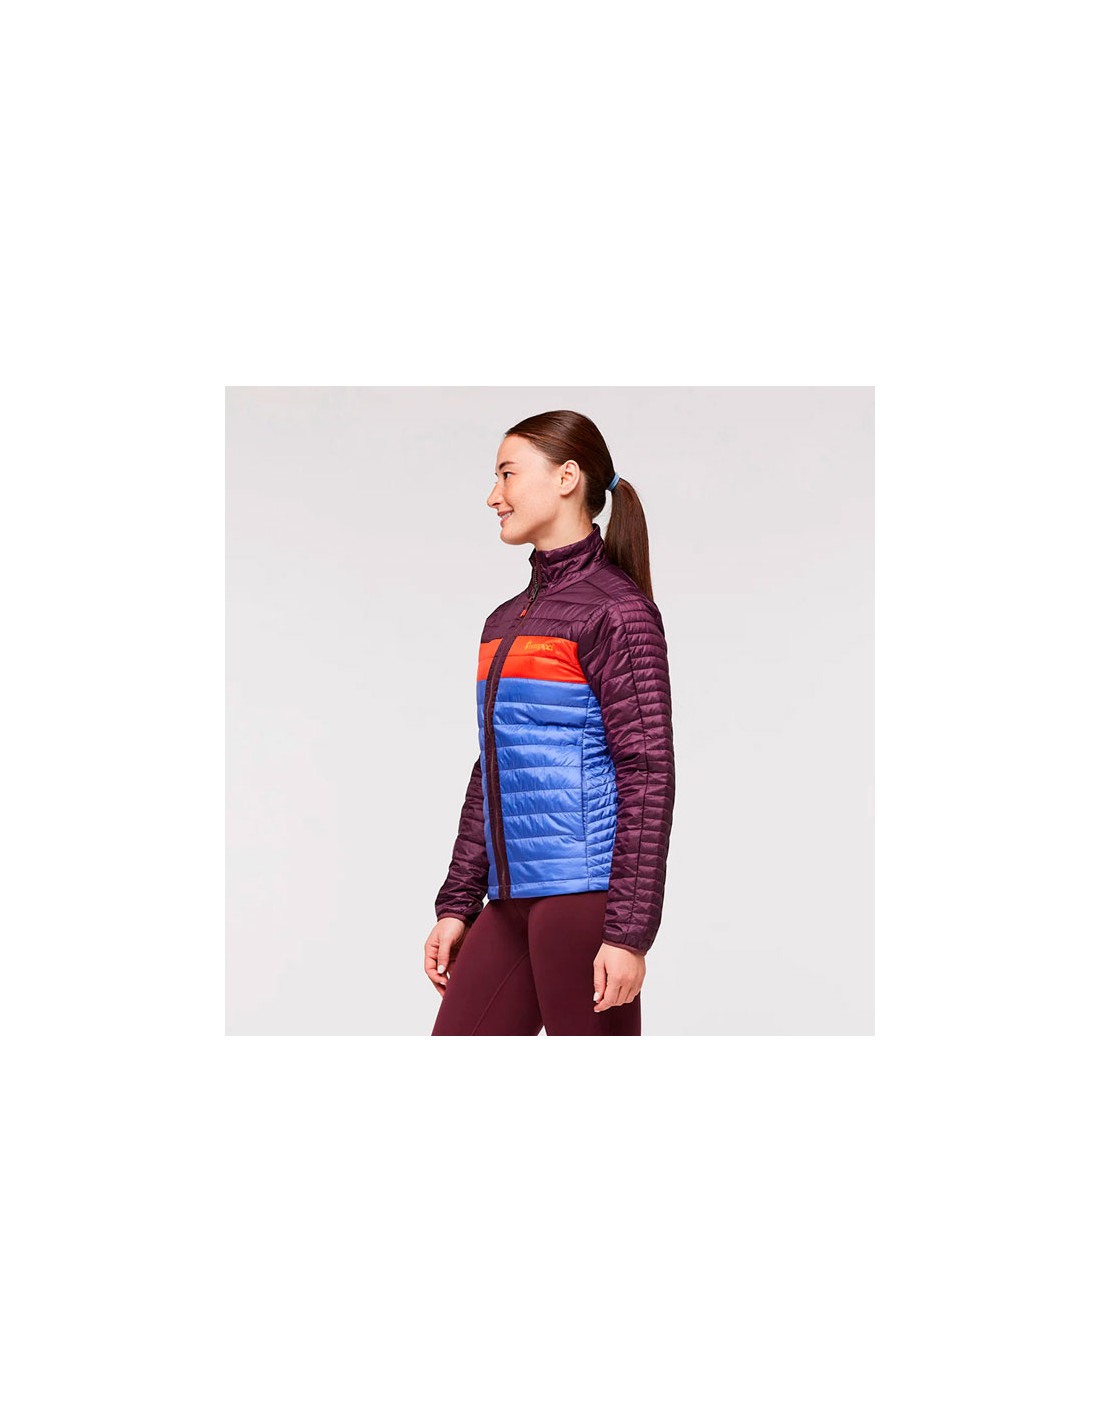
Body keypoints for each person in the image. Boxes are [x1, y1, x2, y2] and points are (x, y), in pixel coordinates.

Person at [426, 410, 675, 1035]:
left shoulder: (618, 612)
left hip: (585, 898)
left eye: (507, 474)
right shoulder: (504, 621)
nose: (494, 496)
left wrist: (628, 933)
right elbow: (494, 765)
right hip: (509, 899)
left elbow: (647, 771)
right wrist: (458, 903)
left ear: (567, 477)